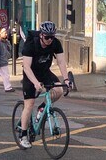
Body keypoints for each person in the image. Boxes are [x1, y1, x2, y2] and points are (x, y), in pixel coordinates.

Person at [18, 22, 69, 150]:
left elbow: (61, 62)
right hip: (30, 74)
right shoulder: (31, 44)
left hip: (45, 72)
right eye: (47, 37)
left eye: (52, 37)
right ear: (41, 35)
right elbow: (26, 67)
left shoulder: (55, 43)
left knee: (59, 90)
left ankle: (42, 108)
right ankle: (23, 136)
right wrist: (35, 83)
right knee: (29, 104)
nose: (50, 40)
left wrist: (66, 79)